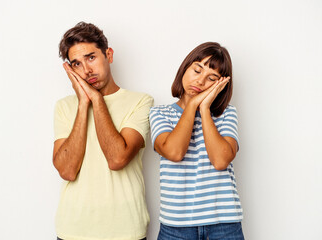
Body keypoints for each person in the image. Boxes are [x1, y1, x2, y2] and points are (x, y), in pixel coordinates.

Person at [53, 22, 153, 240]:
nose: (86, 70)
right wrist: (82, 104)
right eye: (77, 64)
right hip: (73, 229)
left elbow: (117, 158)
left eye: (91, 57)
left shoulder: (141, 102)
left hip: (125, 230)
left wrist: (96, 99)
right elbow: (67, 171)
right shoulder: (64, 107)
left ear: (109, 54)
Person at [149, 42, 244, 240]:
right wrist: (192, 104)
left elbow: (220, 161)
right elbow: (175, 152)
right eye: (197, 70)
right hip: (175, 227)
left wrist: (204, 110)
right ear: (185, 69)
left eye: (211, 78)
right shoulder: (160, 113)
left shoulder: (227, 114)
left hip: (224, 224)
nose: (200, 81)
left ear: (221, 84)